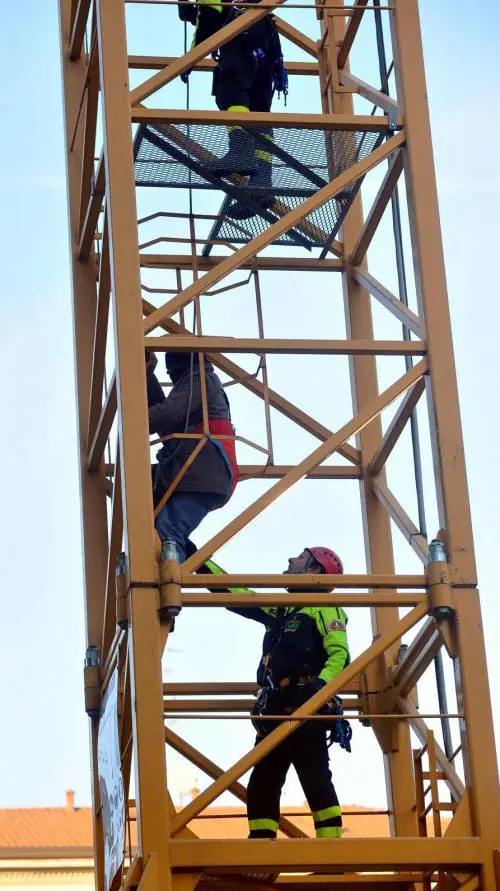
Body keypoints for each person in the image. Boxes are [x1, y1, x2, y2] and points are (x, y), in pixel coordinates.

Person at [187, 542, 350, 839]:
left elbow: (339, 654)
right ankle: (261, 846)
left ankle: (333, 853)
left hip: (307, 706)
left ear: (314, 570)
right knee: (263, 779)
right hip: (276, 706)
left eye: (300, 558)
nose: (290, 558)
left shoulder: (324, 607)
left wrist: (319, 689)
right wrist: (200, 561)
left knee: (315, 778)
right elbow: (240, 596)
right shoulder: (281, 607)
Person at [178, 0, 287, 213]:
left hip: (240, 38)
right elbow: (209, 16)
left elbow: (210, 13)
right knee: (258, 113)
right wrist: (190, 13)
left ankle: (241, 151)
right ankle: (262, 182)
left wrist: (190, 58)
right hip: (265, 46)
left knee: (231, 95)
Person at [147, 350, 238, 562]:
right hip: (194, 471)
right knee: (144, 505)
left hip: (202, 473)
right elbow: (169, 424)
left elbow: (167, 415)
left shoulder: (201, 379)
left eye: (172, 371)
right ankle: (185, 559)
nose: (170, 375)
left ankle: (171, 585)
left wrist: (131, 419)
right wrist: (147, 375)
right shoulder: (194, 382)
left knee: (168, 528)